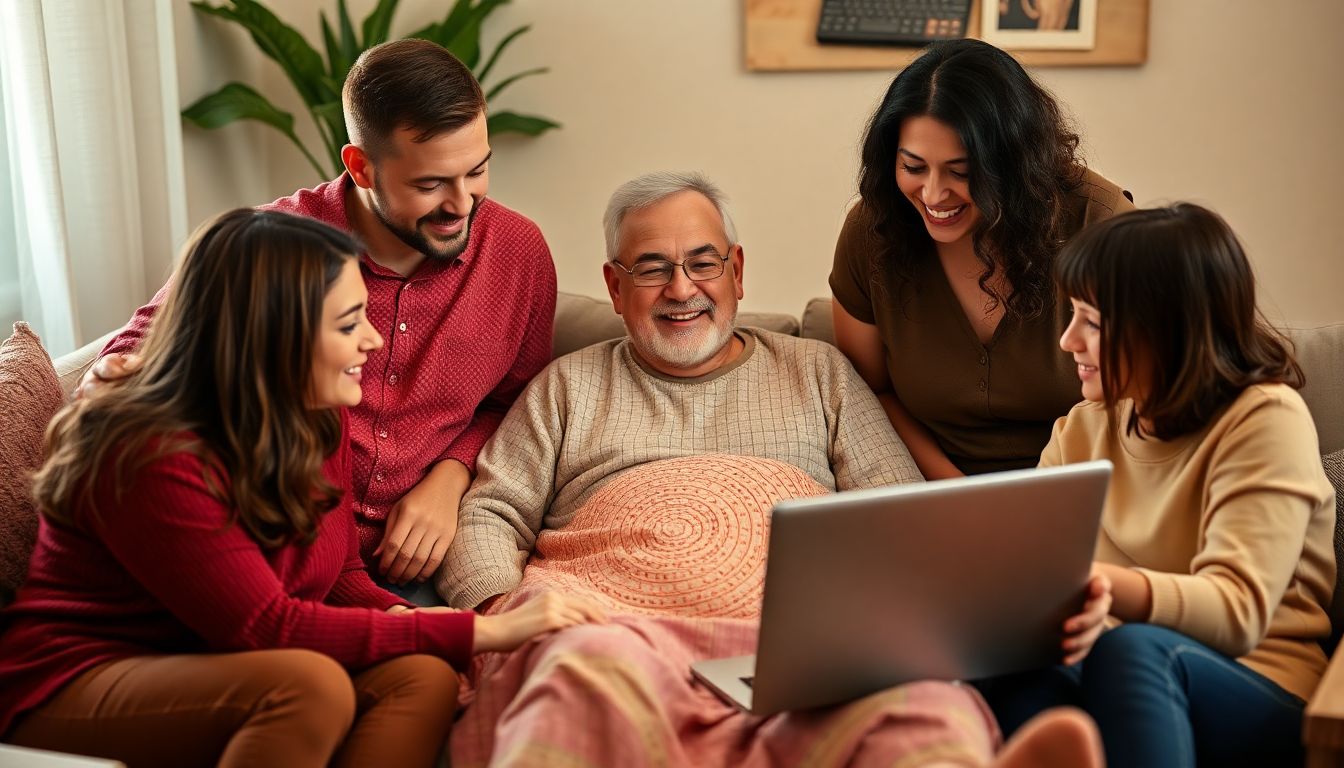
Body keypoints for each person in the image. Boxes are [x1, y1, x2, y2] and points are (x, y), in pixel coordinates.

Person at [436, 171, 1107, 768]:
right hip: (614, 629)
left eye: (703, 264)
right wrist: (502, 615)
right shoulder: (567, 387)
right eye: (651, 269)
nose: (682, 290)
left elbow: (897, 509)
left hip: (798, 647)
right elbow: (491, 511)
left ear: (737, 270)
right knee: (582, 674)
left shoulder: (819, 373)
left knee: (913, 703)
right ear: (614, 285)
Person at [0, 209, 602, 768]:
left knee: (421, 673)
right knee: (308, 689)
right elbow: (264, 627)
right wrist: (479, 629)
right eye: (348, 323)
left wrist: (437, 635)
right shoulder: (145, 450)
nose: (373, 340)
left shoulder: (316, 414)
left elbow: (338, 574)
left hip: (226, 661)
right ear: (272, 337)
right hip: (79, 676)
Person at [82, 38, 556, 593]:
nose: (462, 203)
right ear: (360, 167)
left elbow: (518, 402)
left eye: (476, 171)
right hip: (266, 561)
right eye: (429, 184)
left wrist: (452, 475)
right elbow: (127, 366)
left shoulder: (518, 253)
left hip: (418, 567)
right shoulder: (268, 245)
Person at [978, 204, 1336, 767]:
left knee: (1133, 650)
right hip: (1110, 675)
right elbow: (1030, 571)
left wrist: (1099, 587)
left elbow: (1239, 611)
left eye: (1091, 322)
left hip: (1261, 690)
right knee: (1011, 659)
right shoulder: (1081, 430)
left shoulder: (1265, 419)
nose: (1069, 341)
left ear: (1166, 329)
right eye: (1071, 317)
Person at [830, 38, 1134, 480]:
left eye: (962, 172)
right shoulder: (874, 231)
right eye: (913, 167)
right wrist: (958, 496)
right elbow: (869, 393)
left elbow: (1145, 399)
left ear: (1015, 165)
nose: (933, 195)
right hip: (933, 490)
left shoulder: (1098, 222)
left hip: (1086, 487)